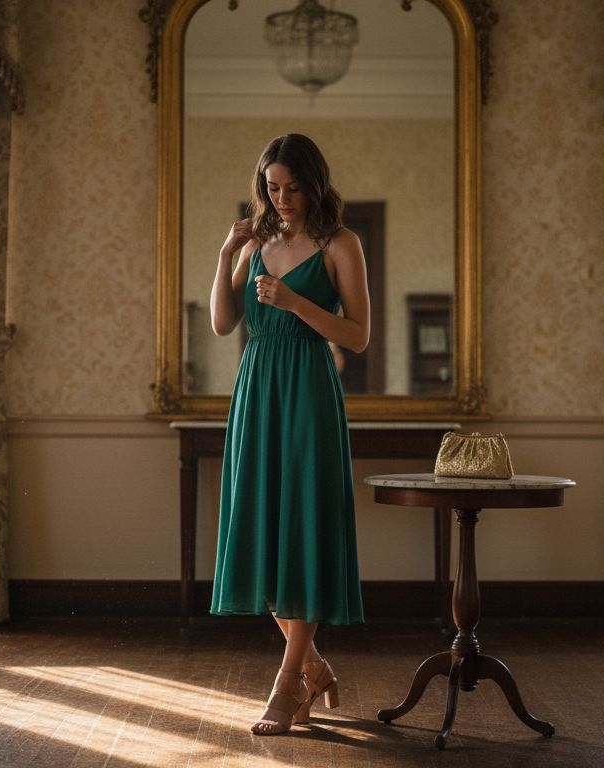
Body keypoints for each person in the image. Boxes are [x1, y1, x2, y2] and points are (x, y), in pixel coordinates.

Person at [208, 134, 369, 735]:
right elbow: (225, 325)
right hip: (256, 391)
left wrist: (296, 301)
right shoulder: (258, 242)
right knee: (260, 524)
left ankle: (285, 684)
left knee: (301, 526)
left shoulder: (340, 244)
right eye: (272, 188)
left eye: (293, 188)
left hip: (307, 390)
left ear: (315, 184)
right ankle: (314, 664)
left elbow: (356, 337)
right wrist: (227, 254)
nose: (282, 199)